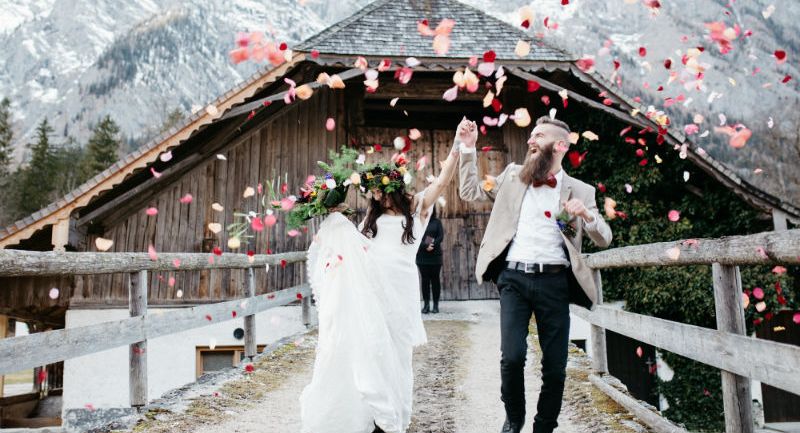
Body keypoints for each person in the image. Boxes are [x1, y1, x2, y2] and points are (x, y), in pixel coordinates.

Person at [299, 120, 465, 433]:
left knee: (399, 356)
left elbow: (442, 182)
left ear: (395, 187)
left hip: (401, 292)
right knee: (374, 351)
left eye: (381, 190)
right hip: (373, 291)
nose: (377, 196)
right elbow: (356, 248)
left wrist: (457, 145)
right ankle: (375, 416)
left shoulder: (416, 209)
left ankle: (394, 418)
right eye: (373, 193)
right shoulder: (370, 220)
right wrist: (334, 216)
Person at [457, 116, 612, 433]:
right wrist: (468, 149)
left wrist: (587, 218)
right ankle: (514, 420)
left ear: (560, 146)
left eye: (538, 136)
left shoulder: (581, 191)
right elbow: (470, 190)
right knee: (512, 357)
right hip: (513, 278)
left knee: (555, 367)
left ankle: (545, 426)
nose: (530, 141)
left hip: (555, 283)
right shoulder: (513, 176)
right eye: (530, 135)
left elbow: (604, 237)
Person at [416, 207, 444, 314]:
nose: (427, 211)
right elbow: (416, 236)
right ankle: (426, 305)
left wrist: (432, 244)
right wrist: (425, 246)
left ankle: (436, 305)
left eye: (430, 208)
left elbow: (440, 236)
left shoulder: (437, 222)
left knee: (435, 280)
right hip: (422, 256)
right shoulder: (418, 222)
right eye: (425, 208)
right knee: (425, 280)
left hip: (435, 255)